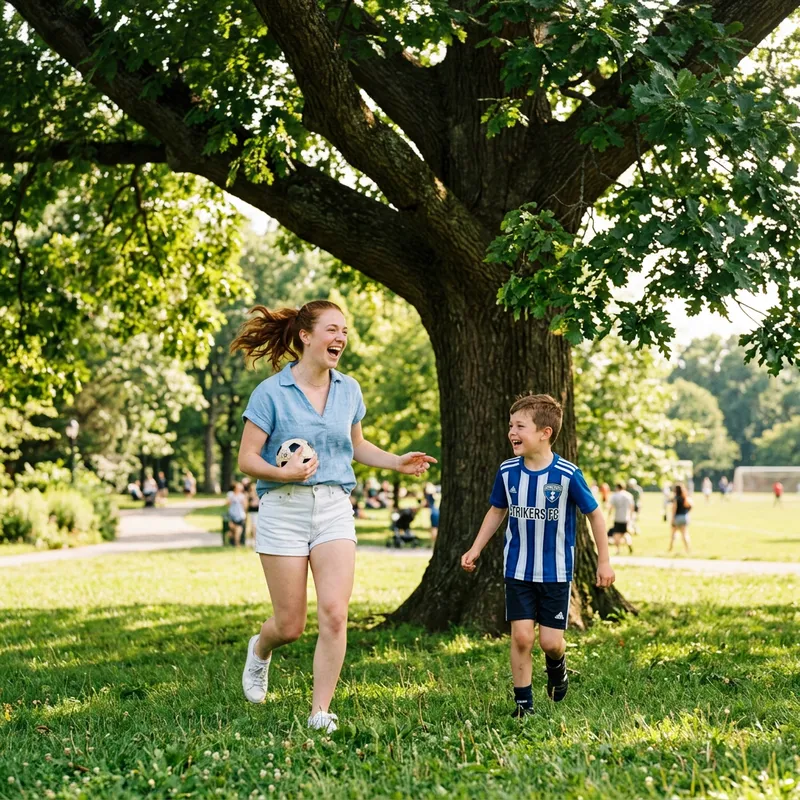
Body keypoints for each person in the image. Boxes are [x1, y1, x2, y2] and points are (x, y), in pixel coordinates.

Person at [232, 300, 436, 733]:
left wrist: (396, 462)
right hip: (283, 508)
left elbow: (355, 445)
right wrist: (281, 471)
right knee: (289, 624)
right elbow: (247, 458)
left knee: (334, 613)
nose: (340, 338)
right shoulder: (271, 393)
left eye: (344, 330)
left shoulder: (349, 389)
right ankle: (260, 649)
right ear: (306, 336)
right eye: (332, 329)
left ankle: (319, 711)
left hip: (333, 509)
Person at [461, 393, 615, 717]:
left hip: (556, 572)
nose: (511, 432)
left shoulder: (567, 474)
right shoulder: (507, 472)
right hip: (517, 569)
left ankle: (557, 667)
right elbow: (496, 511)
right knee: (520, 637)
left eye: (520, 426)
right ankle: (523, 705)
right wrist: (475, 548)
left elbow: (596, 516)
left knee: (550, 642)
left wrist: (604, 560)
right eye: (510, 425)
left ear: (544, 433)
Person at [608, 482, 635, 555]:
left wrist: (609, 515)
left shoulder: (614, 496)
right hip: (626, 518)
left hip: (617, 517)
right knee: (625, 533)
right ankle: (629, 544)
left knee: (616, 534)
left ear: (617, 487)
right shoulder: (628, 495)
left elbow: (611, 507)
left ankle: (617, 550)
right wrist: (631, 516)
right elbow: (632, 506)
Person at [668, 483, 692, 554]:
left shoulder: (676, 498)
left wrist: (672, 519)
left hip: (677, 517)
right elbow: (690, 506)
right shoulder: (685, 497)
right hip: (684, 517)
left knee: (673, 534)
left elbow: (674, 509)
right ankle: (687, 549)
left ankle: (670, 548)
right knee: (684, 534)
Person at [226, 481, 248, 546]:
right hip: (232, 514)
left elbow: (245, 506)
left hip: (240, 515)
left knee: (238, 530)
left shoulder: (242, 496)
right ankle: (232, 541)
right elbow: (227, 503)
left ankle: (237, 543)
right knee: (232, 529)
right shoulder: (230, 494)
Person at [246, 480, 260, 544]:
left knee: (257, 526)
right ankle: (254, 540)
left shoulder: (259, 494)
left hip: (258, 512)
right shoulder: (249, 495)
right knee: (253, 526)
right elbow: (248, 504)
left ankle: (256, 540)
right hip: (252, 512)